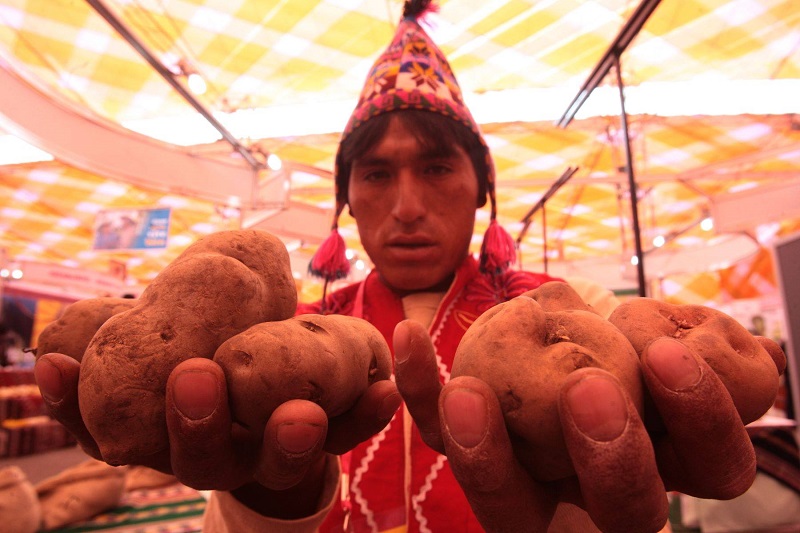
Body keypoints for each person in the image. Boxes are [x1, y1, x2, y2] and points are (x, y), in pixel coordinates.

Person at [33, 1, 784, 532]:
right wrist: (272, 498)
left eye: (436, 168)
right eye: (377, 176)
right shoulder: (296, 332)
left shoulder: (576, 310)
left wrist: (573, 510)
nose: (408, 205)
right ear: (347, 203)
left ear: (482, 189)